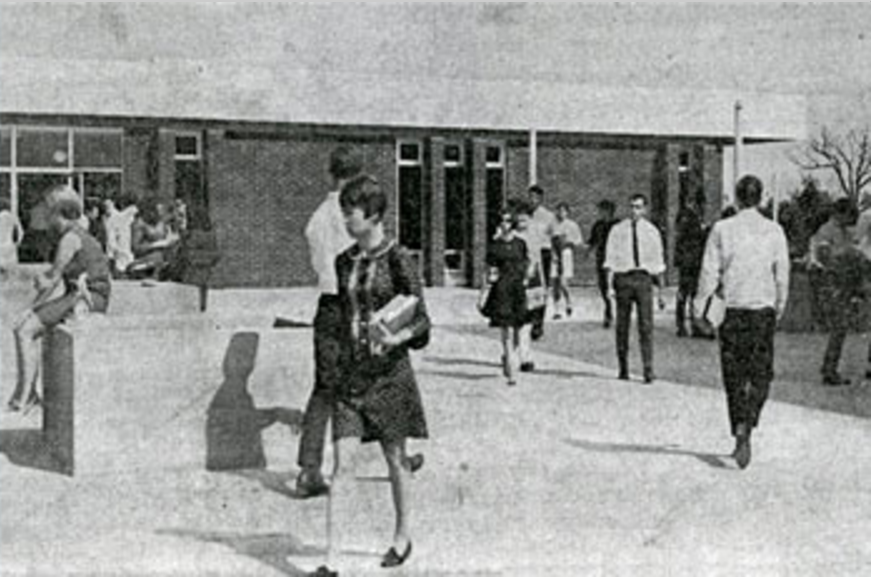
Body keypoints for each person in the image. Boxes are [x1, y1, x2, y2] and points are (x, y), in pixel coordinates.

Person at [328, 174, 430, 570]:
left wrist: (396, 337)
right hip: (351, 376)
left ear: (372, 214)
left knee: (396, 458)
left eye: (349, 213)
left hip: (389, 375)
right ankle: (331, 558)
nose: (345, 220)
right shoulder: (344, 262)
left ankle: (402, 537)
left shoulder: (398, 258)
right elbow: (340, 318)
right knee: (341, 465)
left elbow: (422, 320)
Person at [695, 175, 790, 469]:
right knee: (762, 372)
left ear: (736, 198)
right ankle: (750, 419)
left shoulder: (722, 229)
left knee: (733, 373)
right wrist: (780, 304)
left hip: (732, 312)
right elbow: (782, 272)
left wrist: (701, 308)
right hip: (762, 311)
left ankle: (739, 425)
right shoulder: (774, 230)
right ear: (761, 198)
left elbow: (709, 271)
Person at [294, 146, 364, 498]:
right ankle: (396, 453)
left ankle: (309, 468)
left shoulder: (317, 216)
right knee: (374, 378)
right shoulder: (353, 215)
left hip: (327, 303)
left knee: (325, 387)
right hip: (354, 302)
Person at [7, 185, 111, 414]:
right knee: (27, 326)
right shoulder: (77, 234)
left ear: (58, 212)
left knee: (24, 329)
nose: (44, 217)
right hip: (85, 294)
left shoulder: (69, 239)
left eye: (47, 212)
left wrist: (32, 306)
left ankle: (27, 394)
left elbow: (52, 279)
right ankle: (27, 393)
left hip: (86, 297)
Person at [603, 193, 666, 384]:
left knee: (646, 326)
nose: (634, 211)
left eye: (638, 207)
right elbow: (610, 259)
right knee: (622, 325)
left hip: (643, 279)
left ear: (645, 209)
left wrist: (661, 293)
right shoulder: (617, 230)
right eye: (631, 206)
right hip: (623, 279)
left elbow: (658, 262)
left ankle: (648, 369)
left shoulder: (652, 231)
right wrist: (608, 286)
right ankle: (623, 368)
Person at [808, 197, 859, 386]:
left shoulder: (844, 232)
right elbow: (824, 255)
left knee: (841, 328)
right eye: (850, 215)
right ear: (840, 213)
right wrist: (846, 258)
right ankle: (829, 370)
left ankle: (830, 367)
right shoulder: (827, 230)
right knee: (839, 327)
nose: (852, 221)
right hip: (831, 284)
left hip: (843, 283)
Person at [481, 201, 533, 385]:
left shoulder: (521, 244)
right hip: (502, 290)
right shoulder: (494, 246)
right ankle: (512, 373)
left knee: (519, 330)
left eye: (508, 221)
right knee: (507, 333)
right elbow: (488, 272)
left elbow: (527, 264)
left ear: (512, 223)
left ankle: (509, 357)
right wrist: (482, 296)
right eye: (502, 221)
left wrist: (527, 279)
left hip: (517, 289)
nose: (505, 224)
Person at [514, 199, 546, 373]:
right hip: (517, 280)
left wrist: (542, 284)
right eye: (519, 221)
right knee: (519, 320)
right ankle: (519, 355)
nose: (522, 224)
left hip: (533, 280)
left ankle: (524, 355)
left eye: (525, 220)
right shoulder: (512, 236)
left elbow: (538, 260)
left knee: (529, 318)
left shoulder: (535, 234)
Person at [526, 184, 557, 340]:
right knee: (528, 287)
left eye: (535, 198)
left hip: (543, 254)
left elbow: (555, 237)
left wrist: (555, 257)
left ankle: (538, 324)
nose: (532, 200)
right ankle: (528, 319)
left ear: (541, 199)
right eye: (530, 197)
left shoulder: (548, 216)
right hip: (528, 254)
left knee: (541, 288)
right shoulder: (524, 215)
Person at [674, 198, 707, 337]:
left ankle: (685, 324)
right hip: (691, 262)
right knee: (688, 293)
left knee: (687, 293)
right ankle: (687, 325)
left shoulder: (687, 217)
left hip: (688, 261)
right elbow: (689, 238)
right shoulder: (689, 218)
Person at [587, 199, 619, 328]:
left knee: (616, 286)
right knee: (603, 286)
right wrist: (588, 251)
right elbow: (593, 241)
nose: (601, 213)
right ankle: (608, 312)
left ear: (610, 211)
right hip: (602, 258)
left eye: (603, 210)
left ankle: (619, 312)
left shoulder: (617, 224)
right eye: (600, 210)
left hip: (616, 259)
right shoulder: (598, 225)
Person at [128, 198, 178, 279]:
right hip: (145, 264)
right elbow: (135, 248)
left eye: (161, 212)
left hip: (161, 264)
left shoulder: (161, 222)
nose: (158, 215)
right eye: (156, 212)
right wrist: (157, 244)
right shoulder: (140, 224)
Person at [550, 202, 583, 319]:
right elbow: (548, 239)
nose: (561, 213)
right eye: (559, 211)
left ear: (567, 213)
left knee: (563, 283)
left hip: (566, 254)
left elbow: (579, 241)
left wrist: (569, 241)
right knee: (555, 283)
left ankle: (569, 301)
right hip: (554, 254)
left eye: (563, 211)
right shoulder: (552, 225)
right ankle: (556, 310)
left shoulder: (572, 225)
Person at [0, 198, 24, 273]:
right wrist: (17, 243)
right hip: (10, 246)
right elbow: (21, 232)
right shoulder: (13, 217)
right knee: (9, 273)